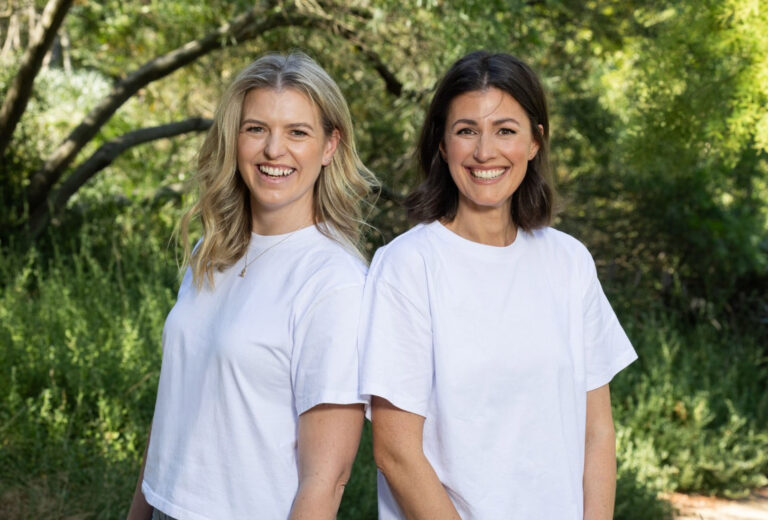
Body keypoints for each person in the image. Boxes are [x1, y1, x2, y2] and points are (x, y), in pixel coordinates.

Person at [359, 50, 638, 519]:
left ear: (534, 142)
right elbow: (396, 452)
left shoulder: (569, 262)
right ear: (443, 144)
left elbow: (597, 433)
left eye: (506, 130)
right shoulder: (408, 265)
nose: (485, 152)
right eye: (467, 130)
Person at [127, 52, 377, 520]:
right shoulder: (211, 251)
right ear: (234, 138)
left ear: (329, 147)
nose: (273, 150)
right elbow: (176, 412)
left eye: (297, 132)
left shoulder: (333, 282)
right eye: (256, 128)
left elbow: (326, 482)